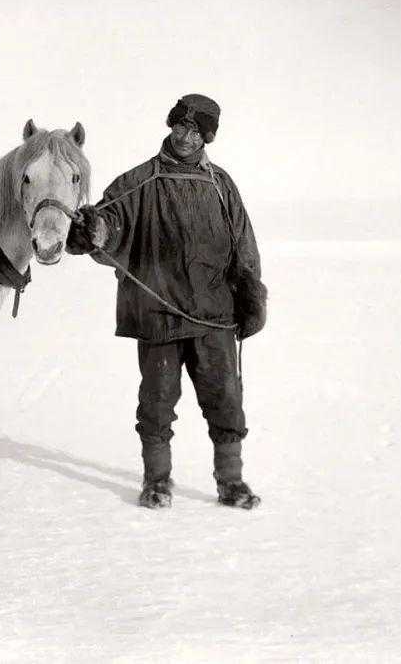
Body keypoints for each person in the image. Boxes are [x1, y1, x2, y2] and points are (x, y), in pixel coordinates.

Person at [67, 94, 267, 509]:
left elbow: (243, 245)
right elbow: (109, 221)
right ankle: (156, 482)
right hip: (159, 316)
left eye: (196, 131)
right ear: (170, 125)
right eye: (180, 127)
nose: (186, 137)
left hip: (215, 317)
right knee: (156, 407)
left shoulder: (221, 185)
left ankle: (231, 483)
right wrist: (95, 231)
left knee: (226, 403)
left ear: (207, 137)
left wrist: (251, 296)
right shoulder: (140, 181)